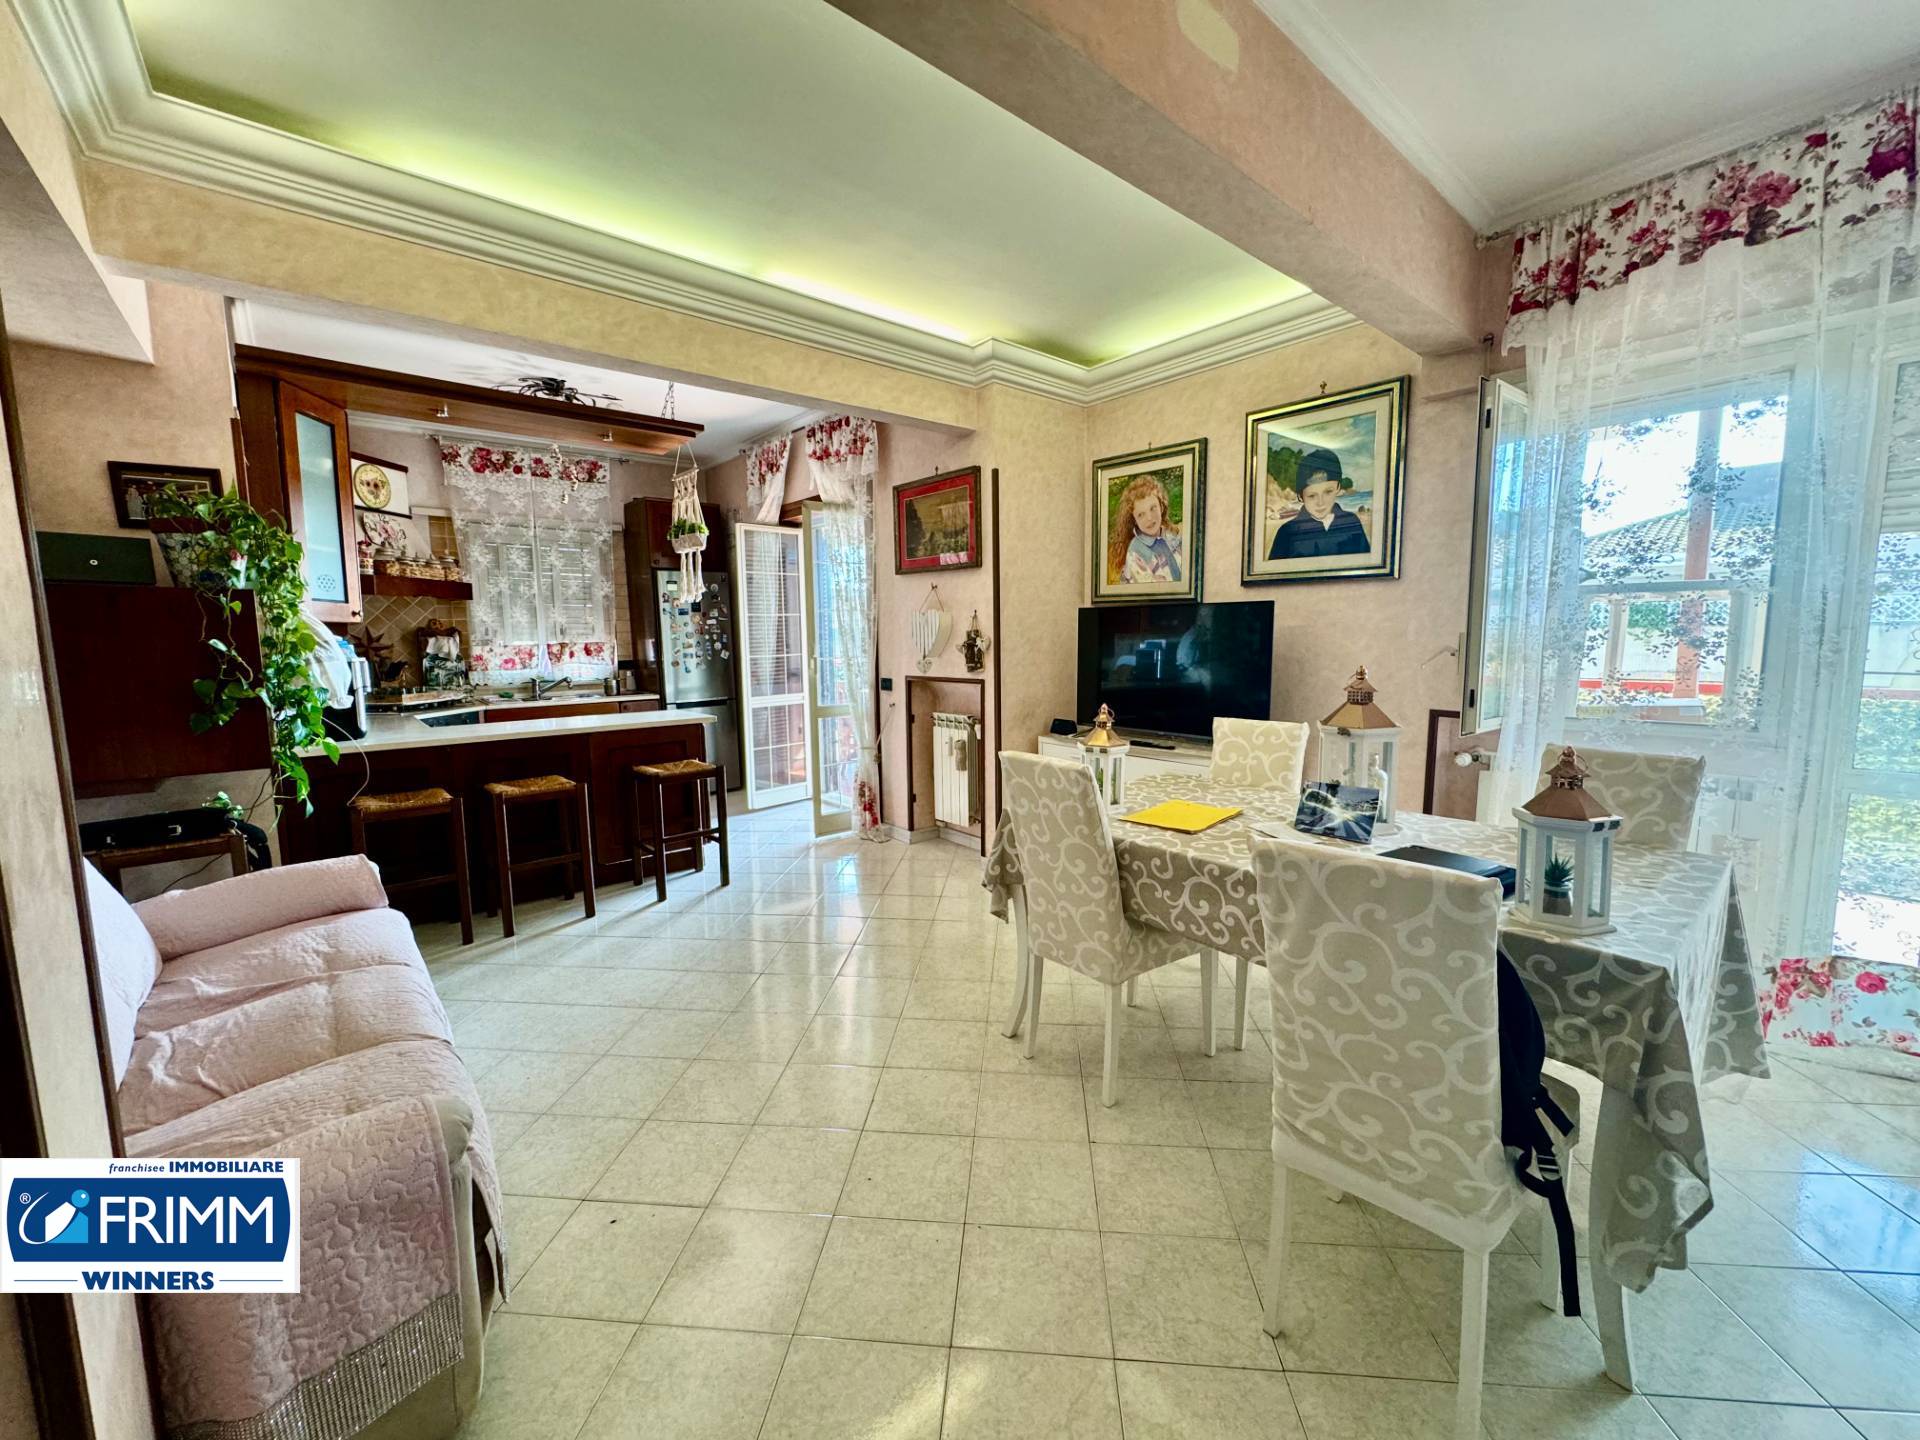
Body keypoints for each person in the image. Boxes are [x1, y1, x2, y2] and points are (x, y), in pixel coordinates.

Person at [1268, 447, 1369, 560]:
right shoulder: (1287, 531)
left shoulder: (1351, 521)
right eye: (1312, 496)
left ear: (1338, 487)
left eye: (1328, 492)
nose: (1321, 503)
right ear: (1301, 496)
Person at [1107, 473, 1183, 585]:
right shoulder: (1136, 551)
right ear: (1134, 520)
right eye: (1141, 515)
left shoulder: (1172, 536)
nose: (1149, 518)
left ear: (1161, 507)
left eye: (1153, 508)